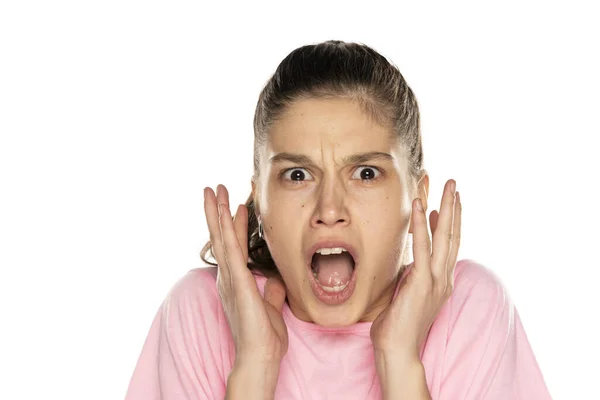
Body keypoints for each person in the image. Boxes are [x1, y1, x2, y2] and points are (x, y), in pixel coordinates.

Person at [124, 40, 552, 399]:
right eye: (297, 175)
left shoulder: (467, 310)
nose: (329, 210)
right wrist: (255, 364)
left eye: (366, 173)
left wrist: (399, 360)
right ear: (260, 199)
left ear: (416, 197)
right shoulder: (201, 311)